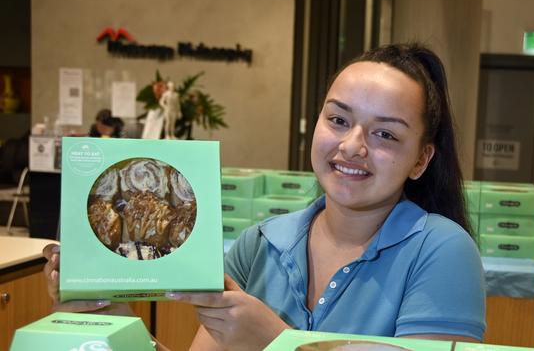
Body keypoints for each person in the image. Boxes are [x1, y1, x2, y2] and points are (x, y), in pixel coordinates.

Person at [43, 43, 486, 350]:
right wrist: (113, 318)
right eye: (337, 119)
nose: (352, 145)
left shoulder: (441, 251)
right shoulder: (260, 244)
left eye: (385, 133)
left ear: (421, 160)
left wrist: (277, 343)